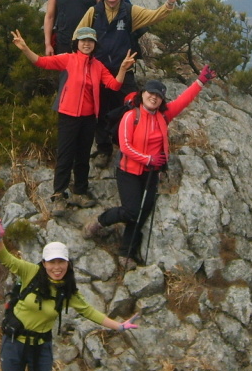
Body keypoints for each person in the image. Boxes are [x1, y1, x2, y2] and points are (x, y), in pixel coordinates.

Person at [0, 218, 137, 371]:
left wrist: (119, 325)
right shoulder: (30, 272)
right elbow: (5, 258)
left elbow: (90, 312)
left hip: (41, 347)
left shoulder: (67, 290)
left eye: (61, 262)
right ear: (43, 263)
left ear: (68, 264)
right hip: (14, 343)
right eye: (52, 262)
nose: (56, 267)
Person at [85, 68, 215, 269]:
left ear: (162, 100)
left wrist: (200, 81)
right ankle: (101, 221)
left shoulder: (164, 116)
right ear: (142, 94)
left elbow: (184, 99)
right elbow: (125, 147)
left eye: (158, 96)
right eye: (151, 94)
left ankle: (126, 252)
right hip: (129, 171)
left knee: (142, 213)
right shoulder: (131, 116)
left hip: (152, 173)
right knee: (131, 211)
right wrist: (147, 159)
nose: (154, 98)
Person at [12, 27, 135, 208]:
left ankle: (80, 192)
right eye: (83, 40)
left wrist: (123, 68)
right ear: (77, 43)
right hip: (68, 116)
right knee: (65, 156)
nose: (86, 44)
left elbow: (114, 85)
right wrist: (25, 49)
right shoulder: (68, 59)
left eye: (90, 41)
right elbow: (41, 62)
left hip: (88, 119)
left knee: (83, 157)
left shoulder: (98, 66)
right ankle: (59, 195)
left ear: (95, 45)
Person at [76, 0, 183, 166]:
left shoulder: (130, 11)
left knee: (131, 106)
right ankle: (104, 149)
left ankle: (128, 145)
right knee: (99, 110)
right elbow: (79, 35)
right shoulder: (94, 12)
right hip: (99, 71)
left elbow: (155, 15)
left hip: (124, 70)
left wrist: (169, 3)